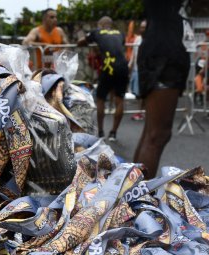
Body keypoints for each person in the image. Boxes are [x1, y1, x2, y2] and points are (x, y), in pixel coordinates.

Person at [133, 0, 190, 179]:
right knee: (157, 135)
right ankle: (137, 199)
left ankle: (131, 192)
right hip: (163, 56)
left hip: (162, 52)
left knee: (152, 133)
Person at [78, 16, 129, 142]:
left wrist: (85, 40)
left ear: (100, 24)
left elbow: (81, 42)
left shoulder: (97, 31)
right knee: (119, 99)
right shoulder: (120, 33)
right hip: (123, 66)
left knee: (100, 99)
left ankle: (100, 132)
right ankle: (113, 133)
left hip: (108, 66)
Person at [129, 20, 147, 121]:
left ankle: (141, 112)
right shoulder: (138, 39)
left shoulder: (151, 39)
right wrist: (130, 64)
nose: (142, 29)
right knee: (137, 93)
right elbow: (134, 53)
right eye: (141, 27)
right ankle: (140, 111)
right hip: (137, 69)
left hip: (145, 70)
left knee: (142, 93)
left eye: (144, 27)